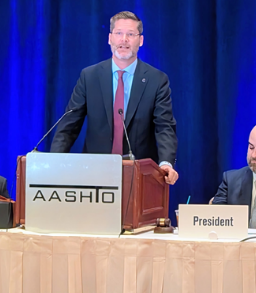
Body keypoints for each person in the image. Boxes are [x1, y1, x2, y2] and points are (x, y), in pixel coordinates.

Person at [50, 11, 179, 184]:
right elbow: (69, 125)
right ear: (110, 38)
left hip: (140, 176)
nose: (123, 40)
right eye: (118, 33)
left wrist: (166, 163)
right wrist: (54, 162)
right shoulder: (90, 76)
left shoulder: (157, 80)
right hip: (94, 174)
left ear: (141, 41)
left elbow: (164, 128)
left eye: (130, 34)